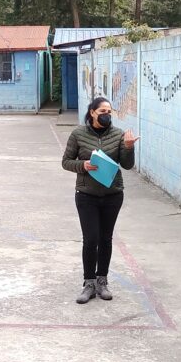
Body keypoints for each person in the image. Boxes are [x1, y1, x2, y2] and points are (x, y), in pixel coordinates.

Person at [61, 96, 138, 304]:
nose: (106, 115)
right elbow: (66, 161)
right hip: (86, 195)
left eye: (109, 112)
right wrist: (82, 165)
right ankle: (89, 283)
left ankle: (102, 281)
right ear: (93, 112)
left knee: (106, 239)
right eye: (103, 111)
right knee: (91, 239)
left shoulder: (118, 134)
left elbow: (127, 165)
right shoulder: (78, 134)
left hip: (113, 195)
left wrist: (129, 147)